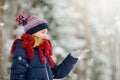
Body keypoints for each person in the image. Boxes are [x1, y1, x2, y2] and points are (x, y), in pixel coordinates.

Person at [10, 13, 89, 80]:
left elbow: (57, 73)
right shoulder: (22, 49)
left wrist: (72, 57)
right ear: (33, 32)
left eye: (46, 33)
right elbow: (17, 75)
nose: (45, 36)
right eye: (42, 32)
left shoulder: (43, 51)